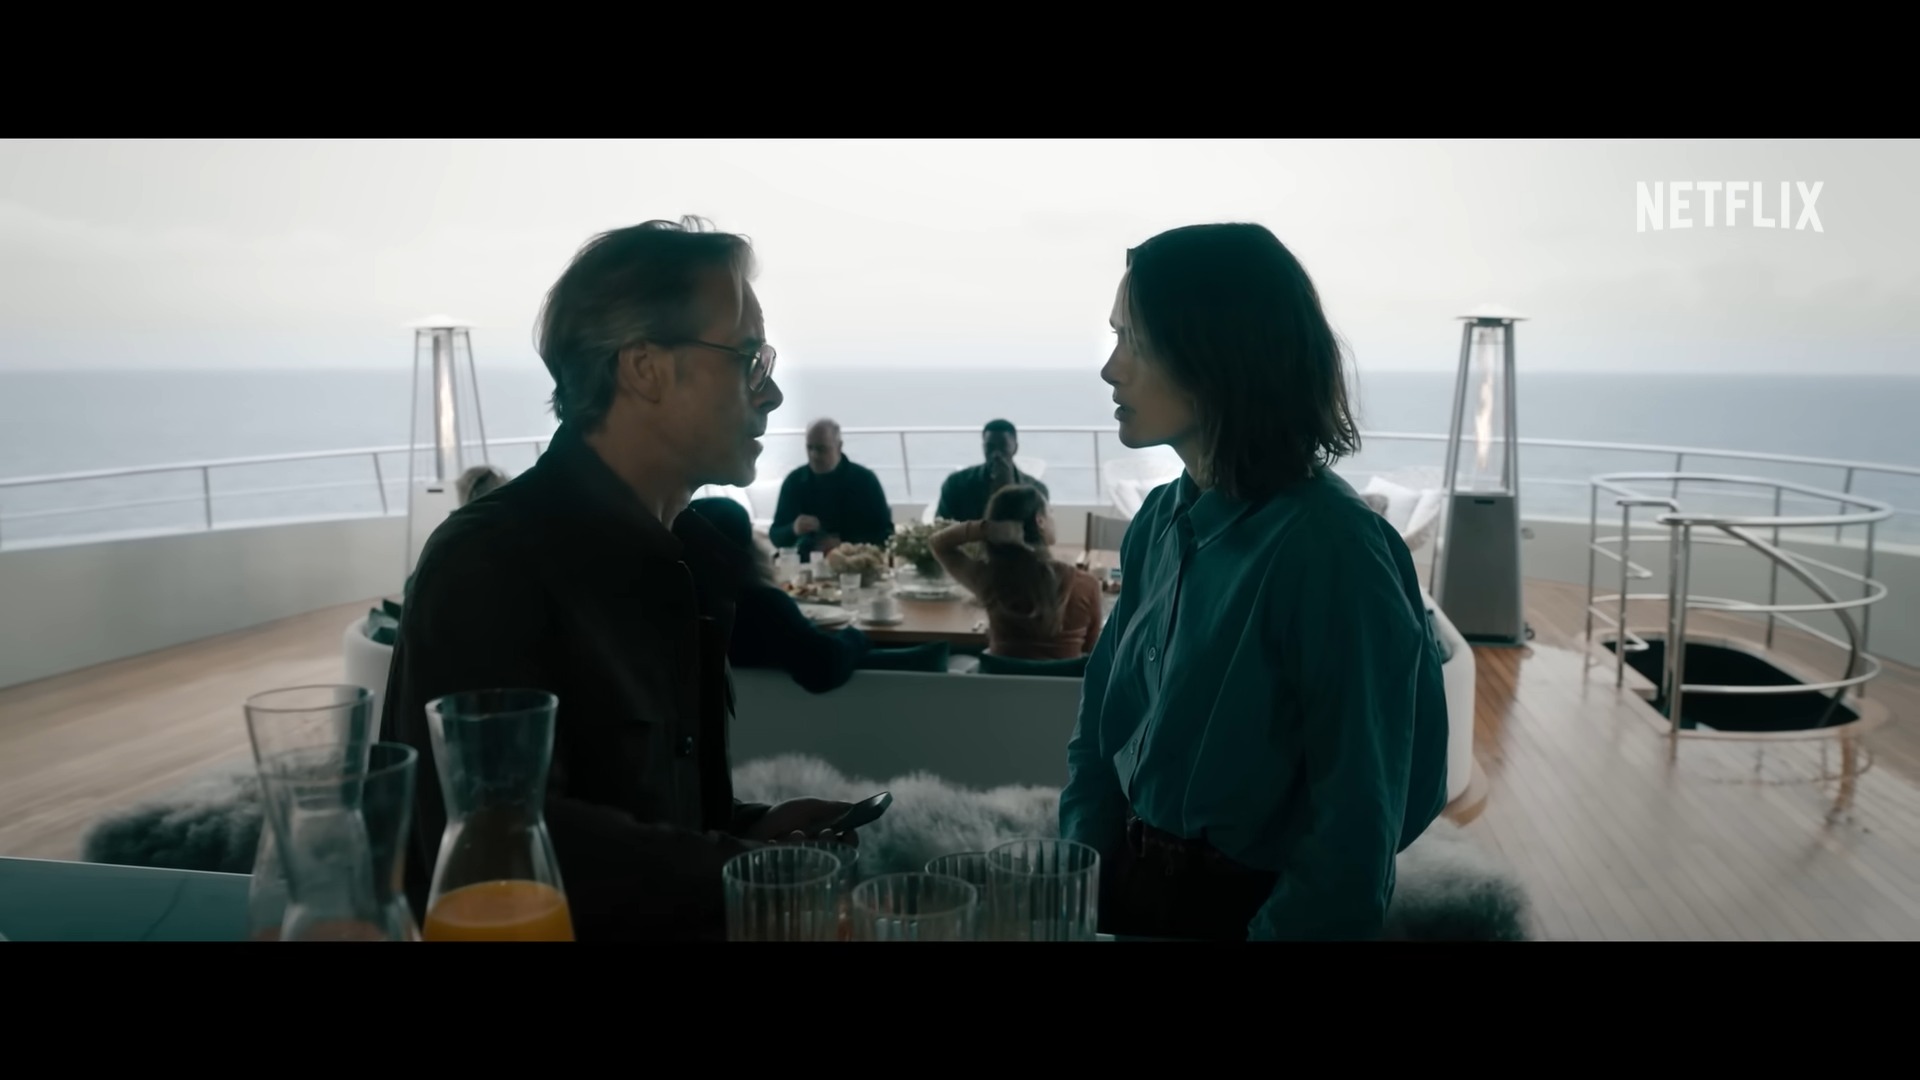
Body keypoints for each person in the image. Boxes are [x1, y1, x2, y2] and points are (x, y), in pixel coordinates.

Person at [381, 217, 861, 943]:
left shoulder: (688, 557)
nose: (770, 396)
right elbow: (496, 842)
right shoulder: (489, 564)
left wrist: (752, 831)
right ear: (644, 368)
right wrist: (752, 874)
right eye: (749, 359)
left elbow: (642, 823)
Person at [1058, 222, 1449, 942]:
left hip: (1246, 914)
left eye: (1135, 341)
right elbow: (1099, 736)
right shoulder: (1157, 523)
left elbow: (1356, 833)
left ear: (1219, 356)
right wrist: (1078, 885)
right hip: (1123, 889)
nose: (1111, 369)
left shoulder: (1333, 551)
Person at [688, 496, 873, 693]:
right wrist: (857, 636)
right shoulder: (762, 605)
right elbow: (825, 667)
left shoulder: (676, 605)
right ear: (747, 546)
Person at [926, 484, 1103, 660]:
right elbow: (1092, 650)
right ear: (1040, 521)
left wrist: (986, 528)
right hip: (1063, 678)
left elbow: (938, 543)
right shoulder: (1086, 585)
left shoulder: (990, 578)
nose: (1053, 517)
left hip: (1000, 678)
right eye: (1050, 512)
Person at [768, 418, 895, 557]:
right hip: (805, 564)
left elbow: (886, 535)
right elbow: (775, 536)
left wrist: (845, 545)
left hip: (854, 563)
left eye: (821, 449)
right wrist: (793, 529)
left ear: (839, 446)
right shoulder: (794, 482)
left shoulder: (865, 481)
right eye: (810, 448)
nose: (814, 455)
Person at [934, 419, 1049, 522]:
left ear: (1015, 448)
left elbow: (1039, 533)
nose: (996, 454)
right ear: (983, 448)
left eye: (1003, 447)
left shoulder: (1036, 492)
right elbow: (940, 525)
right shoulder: (956, 484)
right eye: (990, 447)